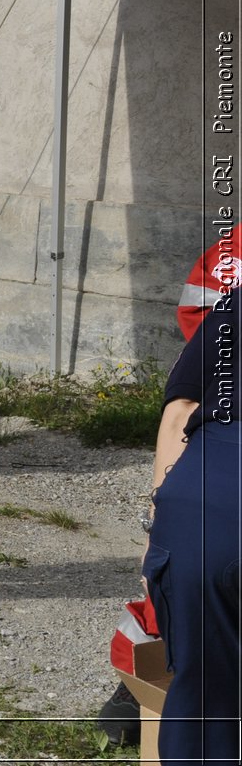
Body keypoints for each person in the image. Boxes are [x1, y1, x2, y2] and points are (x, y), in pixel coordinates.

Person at [142, 289, 241, 764]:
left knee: (204, 698)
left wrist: (160, 533)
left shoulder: (238, 302)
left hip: (200, 506)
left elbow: (180, 409)